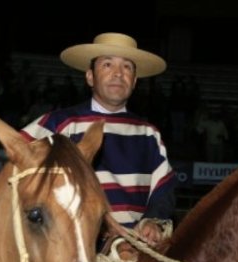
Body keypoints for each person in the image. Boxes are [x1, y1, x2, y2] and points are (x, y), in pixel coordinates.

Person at [20, 32, 176, 246]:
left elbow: (163, 190)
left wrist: (153, 221)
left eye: (127, 67)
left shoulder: (148, 134)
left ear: (134, 81)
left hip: (132, 250)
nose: (118, 74)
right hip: (68, 251)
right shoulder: (58, 125)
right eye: (108, 65)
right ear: (90, 77)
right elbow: (16, 165)